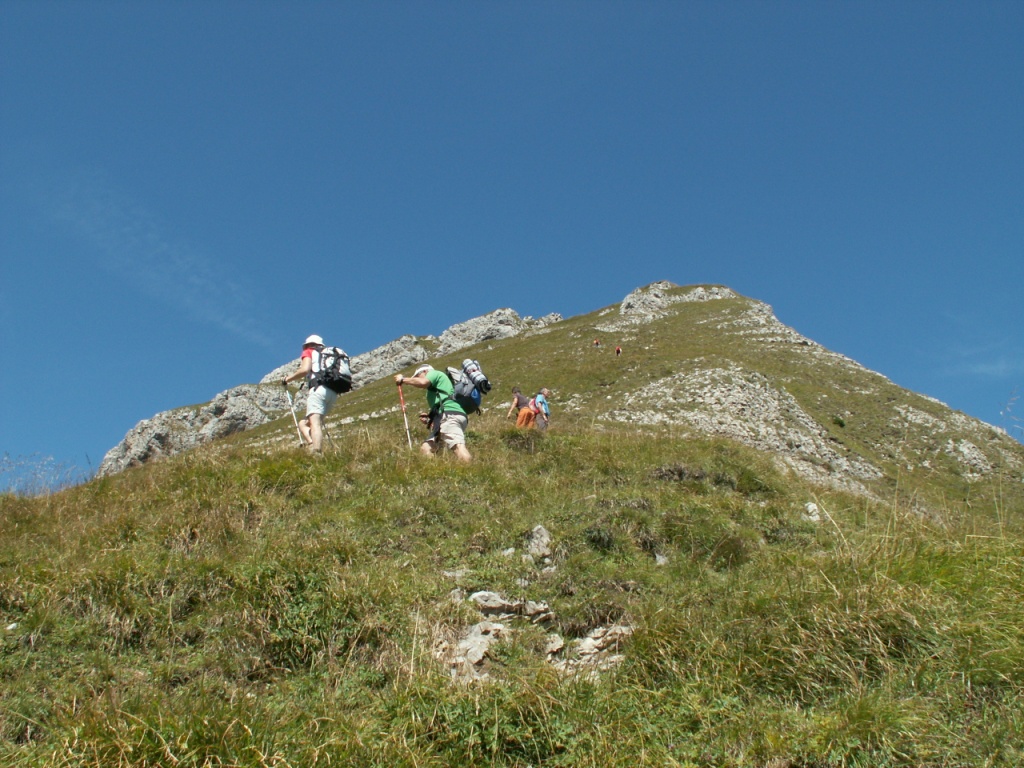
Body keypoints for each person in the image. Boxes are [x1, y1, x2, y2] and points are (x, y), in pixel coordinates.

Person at [394, 364, 472, 463]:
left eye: (417, 376)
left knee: (457, 446)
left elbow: (423, 382)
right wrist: (428, 419)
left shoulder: (434, 373)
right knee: (426, 448)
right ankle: (437, 472)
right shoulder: (433, 390)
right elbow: (439, 408)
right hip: (446, 416)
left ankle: (473, 472)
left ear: (425, 372)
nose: (416, 379)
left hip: (450, 415)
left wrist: (403, 379)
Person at [281, 334, 337, 453]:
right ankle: (312, 444)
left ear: (307, 345)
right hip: (333, 392)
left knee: (314, 422)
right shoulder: (328, 355)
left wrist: (287, 379)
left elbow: (304, 370)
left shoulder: (309, 352)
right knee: (304, 423)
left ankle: (316, 451)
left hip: (318, 389)